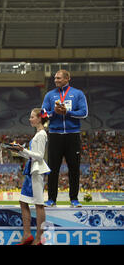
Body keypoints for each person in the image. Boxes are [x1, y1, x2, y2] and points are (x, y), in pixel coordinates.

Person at [42, 70, 88, 207]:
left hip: (72, 135)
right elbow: (43, 115)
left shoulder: (78, 94)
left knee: (74, 168)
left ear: (67, 78)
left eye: (58, 78)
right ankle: (51, 200)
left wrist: (67, 112)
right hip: (55, 135)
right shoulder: (50, 95)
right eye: (55, 78)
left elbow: (84, 113)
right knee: (53, 169)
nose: (55, 80)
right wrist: (54, 113)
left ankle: (74, 199)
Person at [6, 108, 51, 245]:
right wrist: (19, 151)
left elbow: (39, 156)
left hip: (36, 172)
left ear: (39, 118)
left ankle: (38, 238)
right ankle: (27, 235)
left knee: (39, 204)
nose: (30, 119)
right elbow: (32, 155)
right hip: (31, 170)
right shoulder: (38, 134)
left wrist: (23, 149)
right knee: (23, 201)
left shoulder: (42, 134)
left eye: (32, 117)